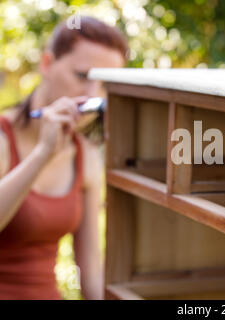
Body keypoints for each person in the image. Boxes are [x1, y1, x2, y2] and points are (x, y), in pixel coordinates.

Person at [0, 16, 128, 300]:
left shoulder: (87, 156)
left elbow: (91, 273)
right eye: (83, 77)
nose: (91, 96)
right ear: (47, 64)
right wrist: (43, 154)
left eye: (105, 85)